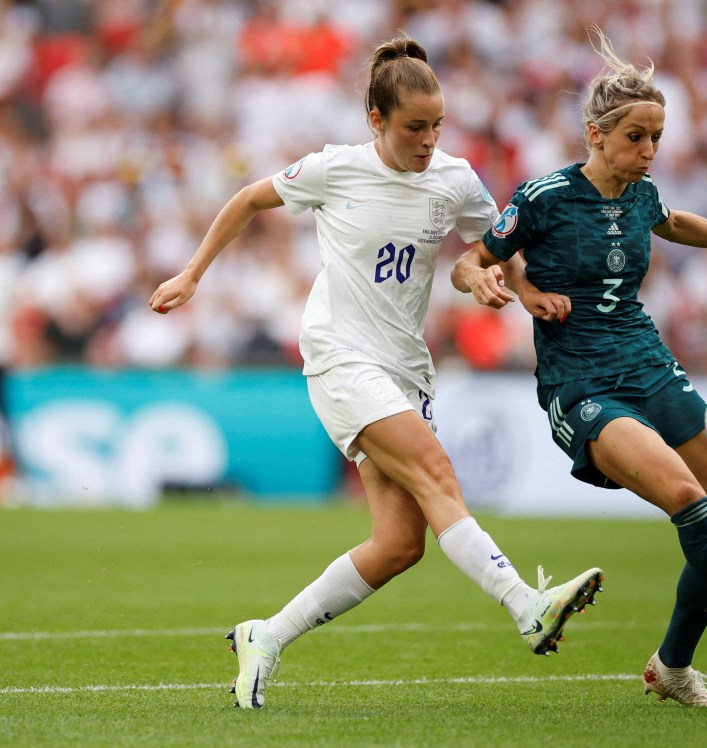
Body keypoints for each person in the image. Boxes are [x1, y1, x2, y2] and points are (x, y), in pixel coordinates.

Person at [149, 35, 603, 710]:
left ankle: (264, 636)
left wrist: (512, 285)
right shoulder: (336, 170)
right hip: (339, 355)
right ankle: (526, 604)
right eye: (414, 127)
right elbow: (247, 199)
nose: (428, 140)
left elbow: (495, 246)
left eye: (436, 126)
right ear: (376, 120)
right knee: (437, 472)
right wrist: (192, 273)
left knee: (398, 544)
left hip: (404, 369)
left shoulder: (453, 180)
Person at [452, 28, 707, 707]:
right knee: (685, 498)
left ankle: (671, 666)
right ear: (596, 134)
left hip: (648, 363)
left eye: (656, 138)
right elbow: (471, 260)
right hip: (581, 383)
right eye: (636, 137)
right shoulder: (546, 197)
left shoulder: (641, 193)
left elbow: (675, 221)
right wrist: (499, 286)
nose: (648, 152)